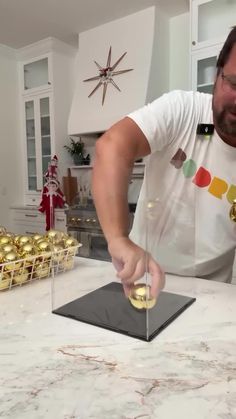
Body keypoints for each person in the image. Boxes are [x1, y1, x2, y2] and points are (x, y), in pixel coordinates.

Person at [92, 27, 236, 298]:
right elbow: (111, 147)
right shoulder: (183, 110)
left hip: (214, 291)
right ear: (217, 76)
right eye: (235, 84)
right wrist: (118, 239)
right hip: (143, 276)